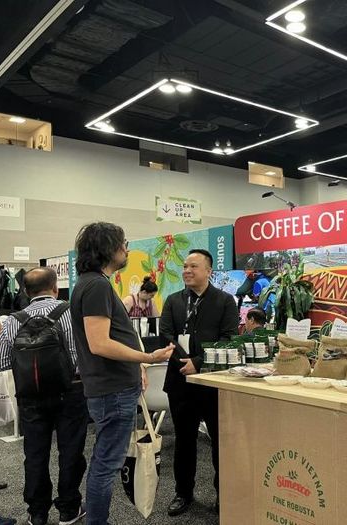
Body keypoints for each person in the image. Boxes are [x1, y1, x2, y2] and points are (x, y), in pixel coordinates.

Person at [70, 222, 174, 525]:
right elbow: (100, 343)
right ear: (108, 247)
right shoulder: (97, 286)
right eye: (123, 243)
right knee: (106, 464)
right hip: (112, 390)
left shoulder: (92, 283)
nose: (127, 249)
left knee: (105, 461)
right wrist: (147, 357)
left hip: (112, 387)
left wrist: (137, 365)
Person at [0, 268, 87, 525]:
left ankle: (37, 513)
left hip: (30, 397)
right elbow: (83, 357)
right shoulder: (71, 312)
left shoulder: (13, 320)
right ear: (56, 288)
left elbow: (1, 363)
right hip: (70, 391)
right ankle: (69, 509)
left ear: (25, 291)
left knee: (35, 454)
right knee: (71, 451)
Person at [160, 249, 239, 516]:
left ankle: (223, 494)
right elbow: (166, 335)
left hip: (212, 383)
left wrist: (199, 361)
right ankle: (183, 493)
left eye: (193, 266)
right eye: (185, 266)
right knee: (184, 441)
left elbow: (229, 338)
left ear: (208, 271)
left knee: (219, 441)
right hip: (180, 382)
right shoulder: (173, 300)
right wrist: (185, 363)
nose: (187, 271)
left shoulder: (225, 301)